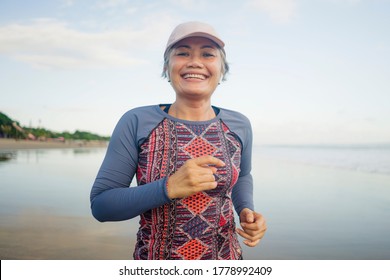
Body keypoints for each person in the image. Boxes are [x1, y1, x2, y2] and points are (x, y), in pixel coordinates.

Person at [90, 21, 267, 260]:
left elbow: (243, 175)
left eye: (207, 54)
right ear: (166, 67)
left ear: (222, 69)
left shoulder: (239, 124)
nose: (195, 61)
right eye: (182, 53)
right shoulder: (137, 120)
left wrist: (246, 209)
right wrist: (169, 187)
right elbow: (102, 205)